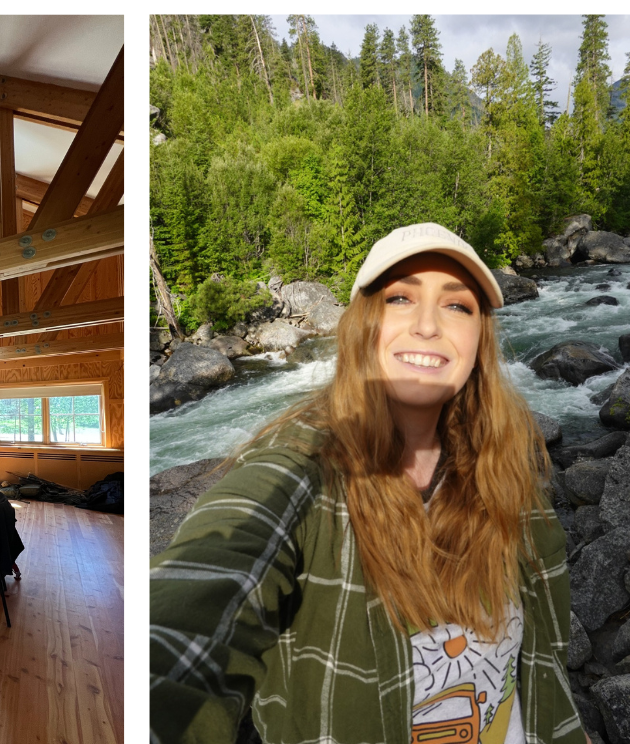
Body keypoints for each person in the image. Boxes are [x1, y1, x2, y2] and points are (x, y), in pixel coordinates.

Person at [150, 222, 587, 744]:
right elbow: (191, 614)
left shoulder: (506, 462)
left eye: (457, 305)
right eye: (400, 298)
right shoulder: (298, 471)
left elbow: (543, 656)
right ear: (363, 325)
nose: (427, 325)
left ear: (480, 338)